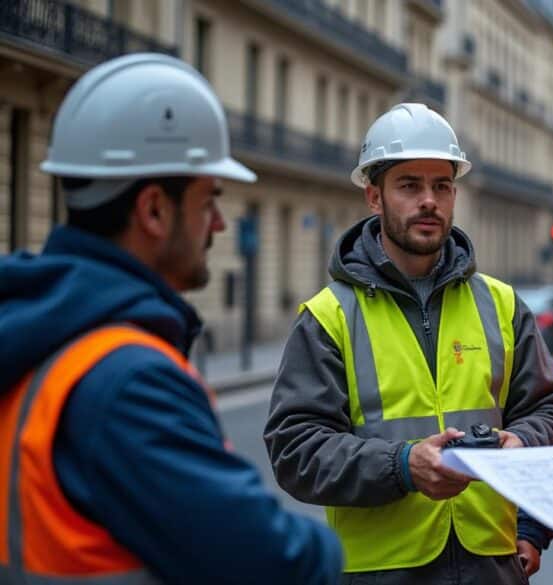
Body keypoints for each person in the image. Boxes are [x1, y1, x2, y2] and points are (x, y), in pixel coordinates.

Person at [0, 54, 342, 584]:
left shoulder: (38, 329)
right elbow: (274, 562)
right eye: (209, 201)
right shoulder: (128, 381)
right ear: (154, 210)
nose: (219, 224)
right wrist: (330, 554)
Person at [264, 103, 553, 585]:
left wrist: (524, 444)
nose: (429, 201)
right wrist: (402, 465)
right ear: (374, 196)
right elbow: (295, 450)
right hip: (380, 574)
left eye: (441, 186)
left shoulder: (502, 304)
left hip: (492, 569)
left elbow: (550, 411)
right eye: (409, 186)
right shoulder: (329, 316)